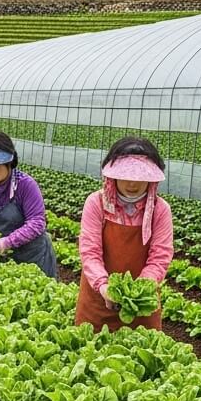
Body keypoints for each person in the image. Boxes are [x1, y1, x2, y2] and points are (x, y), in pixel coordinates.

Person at [74, 137, 173, 331]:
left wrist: (137, 292)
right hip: (97, 300)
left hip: (141, 306)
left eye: (139, 177)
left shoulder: (160, 210)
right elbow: (90, 251)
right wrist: (104, 286)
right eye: (126, 176)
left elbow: (160, 257)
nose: (132, 184)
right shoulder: (97, 203)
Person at [0, 131, 57, 278]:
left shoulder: (25, 184)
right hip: (4, 256)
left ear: (9, 161)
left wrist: (9, 241)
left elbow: (37, 222)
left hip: (33, 256)